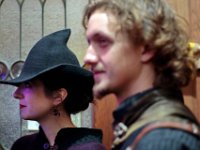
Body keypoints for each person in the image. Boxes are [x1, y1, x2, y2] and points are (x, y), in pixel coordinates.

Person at [82, 0, 200, 149]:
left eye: (103, 41)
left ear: (146, 48)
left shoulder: (162, 140)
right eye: (89, 43)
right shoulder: (137, 126)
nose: (88, 57)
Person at [0, 29, 106, 150]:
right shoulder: (22, 146)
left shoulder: (89, 148)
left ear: (58, 96)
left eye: (28, 85)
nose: (16, 94)